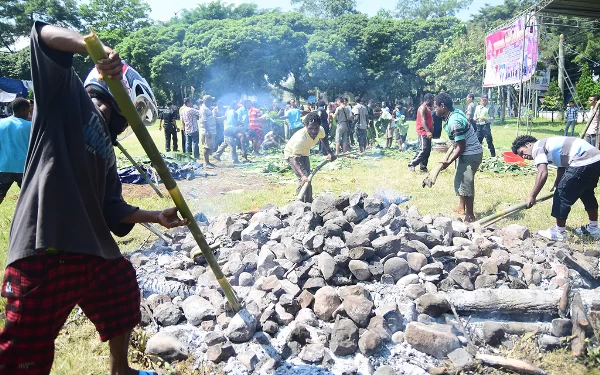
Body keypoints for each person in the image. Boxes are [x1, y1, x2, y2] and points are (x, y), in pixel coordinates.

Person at [0, 21, 188, 375]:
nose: (128, 124)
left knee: (121, 290)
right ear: (120, 98)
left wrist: (155, 216)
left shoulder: (108, 150)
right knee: (24, 353)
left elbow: (111, 209)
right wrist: (91, 49)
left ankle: (121, 369)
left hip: (92, 253)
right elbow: (42, 37)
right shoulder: (63, 96)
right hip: (45, 249)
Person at [512, 135, 600, 241]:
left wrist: (532, 196)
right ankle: (593, 228)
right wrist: (556, 183)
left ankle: (559, 232)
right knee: (586, 192)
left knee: (561, 194)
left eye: (522, 152)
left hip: (583, 158)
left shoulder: (537, 147)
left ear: (528, 144)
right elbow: (562, 165)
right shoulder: (548, 145)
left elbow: (542, 173)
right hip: (595, 159)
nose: (523, 156)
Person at [434, 93, 483, 223]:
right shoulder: (455, 113)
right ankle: (461, 207)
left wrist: (448, 162)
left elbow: (461, 146)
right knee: (460, 179)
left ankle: (470, 215)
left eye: (435, 107)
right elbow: (458, 143)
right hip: (468, 153)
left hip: (470, 154)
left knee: (465, 183)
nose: (435, 110)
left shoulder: (454, 122)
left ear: (442, 106)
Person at [284, 112, 336, 203]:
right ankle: (300, 203)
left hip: (304, 152)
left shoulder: (321, 130)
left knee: (308, 179)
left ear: (319, 126)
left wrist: (330, 152)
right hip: (292, 154)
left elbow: (323, 139)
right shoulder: (300, 139)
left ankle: (308, 202)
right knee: (304, 179)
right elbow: (295, 160)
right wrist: (303, 175)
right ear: (305, 125)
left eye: (316, 128)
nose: (314, 131)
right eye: (310, 128)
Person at [0, 98, 32, 205]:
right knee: (31, 196)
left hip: (3, 166)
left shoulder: (1, 123)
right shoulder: (30, 126)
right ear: (23, 110)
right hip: (23, 167)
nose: (29, 114)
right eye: (28, 111)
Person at [408, 94, 434, 172]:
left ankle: (423, 167)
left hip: (427, 132)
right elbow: (423, 121)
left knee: (427, 150)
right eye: (432, 100)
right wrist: (428, 131)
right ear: (428, 100)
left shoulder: (427, 108)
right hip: (423, 132)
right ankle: (412, 164)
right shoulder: (422, 108)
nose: (433, 102)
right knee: (423, 149)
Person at [199, 95, 217, 168]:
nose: (211, 102)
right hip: (207, 131)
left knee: (209, 146)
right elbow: (204, 122)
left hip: (211, 130)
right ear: (207, 101)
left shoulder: (207, 108)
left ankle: (208, 162)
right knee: (206, 147)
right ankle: (206, 163)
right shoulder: (203, 109)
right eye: (211, 101)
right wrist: (208, 131)